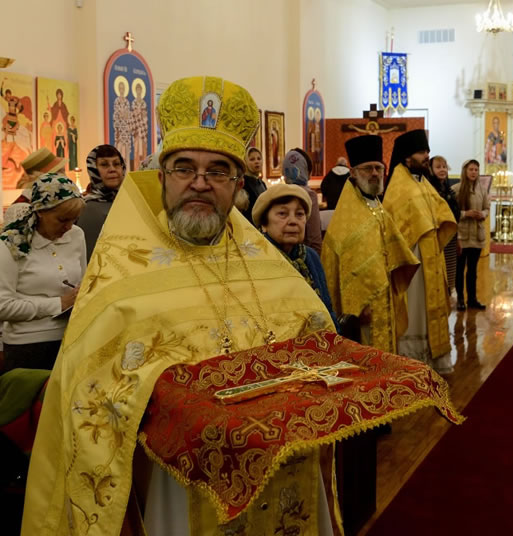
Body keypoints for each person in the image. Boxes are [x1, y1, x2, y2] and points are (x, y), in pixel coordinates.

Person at [22, 76, 338, 536]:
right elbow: (84, 394)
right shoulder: (121, 274)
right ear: (162, 177)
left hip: (282, 467)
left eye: (218, 171)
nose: (199, 183)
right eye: (184, 168)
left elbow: (321, 349)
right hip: (180, 484)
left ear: (238, 184)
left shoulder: (271, 268)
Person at [322, 135, 419, 352]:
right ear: (353, 173)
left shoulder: (376, 205)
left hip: (385, 296)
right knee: (367, 353)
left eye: (378, 168)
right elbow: (346, 263)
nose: (375, 173)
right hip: (364, 306)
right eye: (368, 168)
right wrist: (357, 305)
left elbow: (394, 246)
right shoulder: (347, 216)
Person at [384, 129, 457, 373]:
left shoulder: (422, 181)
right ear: (407, 157)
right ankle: (413, 362)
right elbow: (396, 224)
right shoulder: (399, 184)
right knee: (416, 310)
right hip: (413, 260)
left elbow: (441, 211)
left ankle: (435, 360)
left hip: (431, 255)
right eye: (421, 152)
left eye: (427, 151)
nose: (426, 156)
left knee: (430, 310)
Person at [0, 173, 85, 371]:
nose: (68, 227)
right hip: (27, 347)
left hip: (72, 339)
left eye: (74, 220)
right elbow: (3, 307)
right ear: (40, 212)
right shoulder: (10, 244)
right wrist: (59, 304)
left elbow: (83, 280)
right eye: (62, 220)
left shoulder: (76, 235)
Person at [251, 183, 338, 328]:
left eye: (299, 214)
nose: (293, 221)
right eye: (282, 214)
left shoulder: (310, 256)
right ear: (264, 223)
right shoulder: (256, 258)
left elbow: (327, 308)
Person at [75, 144, 127, 260]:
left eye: (116, 164)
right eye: (104, 165)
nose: (112, 169)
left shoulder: (129, 200)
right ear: (93, 169)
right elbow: (90, 257)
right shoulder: (88, 208)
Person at [452, 159, 489, 310]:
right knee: (460, 269)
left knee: (473, 270)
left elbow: (487, 207)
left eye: (476, 170)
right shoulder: (456, 189)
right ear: (465, 171)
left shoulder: (482, 189)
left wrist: (483, 214)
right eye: (471, 169)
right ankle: (460, 299)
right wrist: (465, 213)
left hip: (477, 235)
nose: (474, 172)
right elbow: (451, 212)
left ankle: (472, 299)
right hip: (462, 236)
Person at [283, 147, 322, 254]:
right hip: (303, 256)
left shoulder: (278, 194)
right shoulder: (309, 195)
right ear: (307, 171)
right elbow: (314, 238)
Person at [429, 155, 459, 294]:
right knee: (440, 275)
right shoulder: (431, 189)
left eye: (444, 167)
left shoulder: (448, 188)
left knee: (450, 272)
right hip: (439, 237)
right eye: (438, 167)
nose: (442, 170)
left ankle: (448, 296)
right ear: (431, 170)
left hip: (451, 236)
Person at [240, 146, 267, 224]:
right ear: (245, 162)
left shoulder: (261, 183)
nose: (256, 162)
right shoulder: (243, 182)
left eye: (259, 158)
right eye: (252, 159)